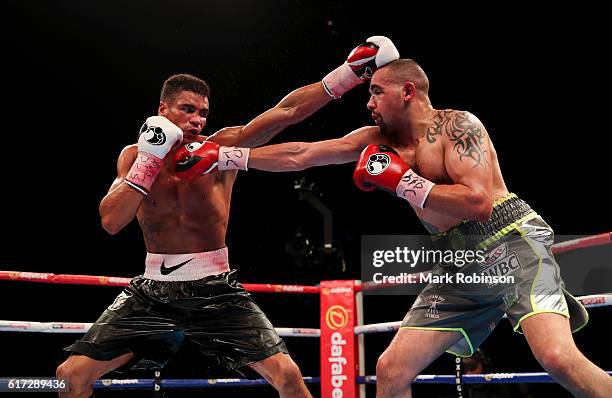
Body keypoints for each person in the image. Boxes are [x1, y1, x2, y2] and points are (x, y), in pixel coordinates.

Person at [177, 58, 612, 397]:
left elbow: (478, 202)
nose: (368, 102)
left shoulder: (457, 126)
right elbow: (303, 154)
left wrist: (403, 181)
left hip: (510, 241)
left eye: (376, 92)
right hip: (457, 261)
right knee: (390, 369)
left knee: (556, 357)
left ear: (407, 91)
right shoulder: (374, 139)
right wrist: (224, 156)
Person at [55, 36, 400, 398]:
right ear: (162, 110)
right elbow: (111, 221)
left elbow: (285, 113)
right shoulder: (133, 157)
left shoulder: (219, 149)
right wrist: (149, 160)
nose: (197, 120)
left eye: (203, 112)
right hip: (151, 292)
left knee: (288, 378)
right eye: (187, 110)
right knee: (70, 377)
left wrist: (349, 74)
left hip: (215, 288)